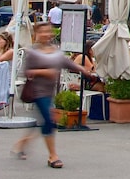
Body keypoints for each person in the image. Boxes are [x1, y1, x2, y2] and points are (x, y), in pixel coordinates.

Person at [11, 22, 96, 169]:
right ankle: (53, 156)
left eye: (48, 31)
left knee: (44, 121)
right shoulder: (33, 53)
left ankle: (22, 144)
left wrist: (84, 70)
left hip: (50, 92)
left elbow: (67, 63)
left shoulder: (55, 51)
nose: (45, 34)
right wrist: (45, 72)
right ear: (36, 34)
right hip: (37, 92)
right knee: (49, 121)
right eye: (42, 32)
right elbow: (26, 73)